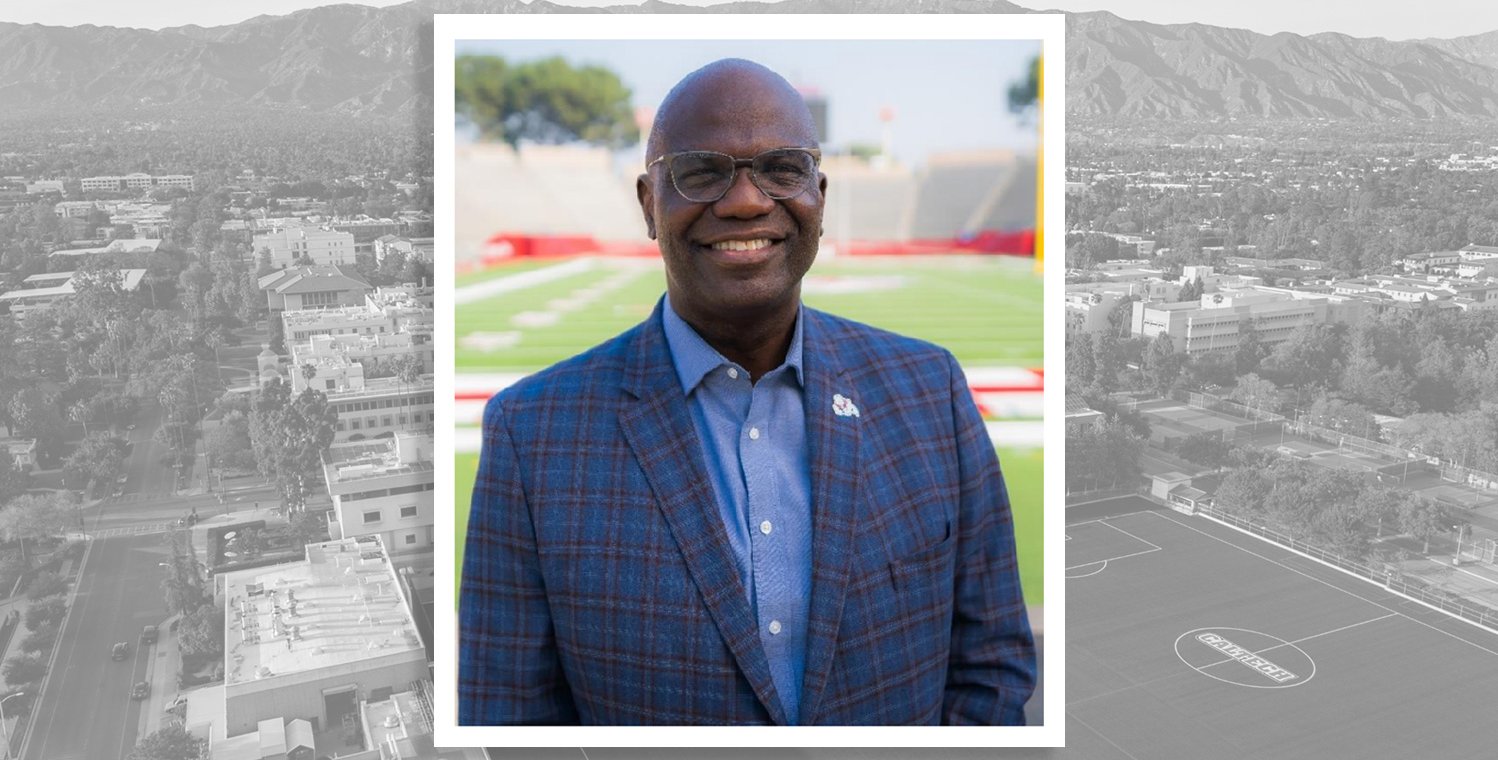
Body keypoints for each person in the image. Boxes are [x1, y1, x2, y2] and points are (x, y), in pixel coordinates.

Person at [460, 58, 1036, 726]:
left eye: (782, 168)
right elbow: (507, 713)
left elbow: (990, 665)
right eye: (701, 171)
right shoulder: (529, 434)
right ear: (650, 204)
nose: (745, 201)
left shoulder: (928, 389)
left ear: (819, 195)